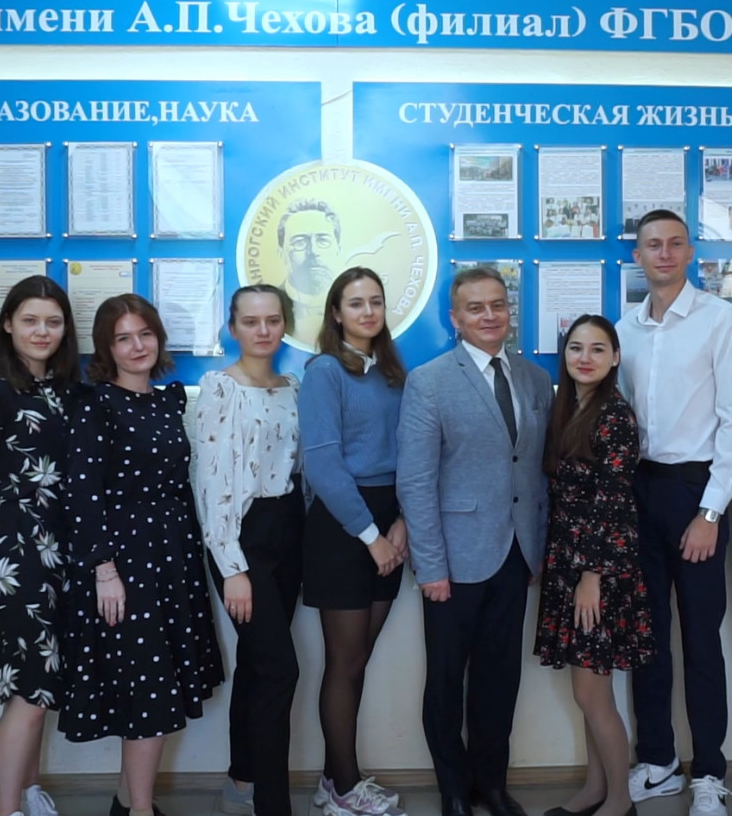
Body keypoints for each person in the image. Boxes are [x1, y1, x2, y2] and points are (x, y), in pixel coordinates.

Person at [398, 266, 553, 816]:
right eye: (476, 308)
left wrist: (538, 548)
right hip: (453, 559)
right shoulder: (430, 381)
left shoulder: (535, 379)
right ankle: (454, 790)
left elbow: (536, 470)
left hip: (516, 555)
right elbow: (415, 481)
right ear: (455, 319)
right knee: (446, 682)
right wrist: (430, 566)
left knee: (500, 680)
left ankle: (491, 784)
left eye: (498, 305)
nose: (490, 316)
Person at [62, 294, 223, 816]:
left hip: (172, 557)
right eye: (123, 338)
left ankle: (127, 801)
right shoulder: (95, 405)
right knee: (148, 693)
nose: (137, 346)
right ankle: (139, 810)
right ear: (106, 348)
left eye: (145, 334)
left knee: (158, 688)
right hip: (126, 563)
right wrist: (104, 570)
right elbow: (82, 494)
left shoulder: (168, 401)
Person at [618, 209, 732, 816]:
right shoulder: (625, 329)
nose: (665, 253)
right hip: (639, 492)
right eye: (653, 245)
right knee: (646, 636)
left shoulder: (721, 320)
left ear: (691, 252)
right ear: (638, 255)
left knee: (701, 639)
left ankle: (709, 772)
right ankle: (658, 761)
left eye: (675, 244)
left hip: (697, 493)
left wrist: (711, 511)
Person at [0, 275, 81, 816]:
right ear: (8, 324)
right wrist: (2, 555)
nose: (41, 331)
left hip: (65, 555)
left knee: (41, 683)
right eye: (30, 320)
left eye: (53, 321)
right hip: (17, 559)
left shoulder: (69, 391)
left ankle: (28, 790)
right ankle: (6, 809)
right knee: (29, 687)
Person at [299, 267, 410, 816]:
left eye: (376, 301)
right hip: (345, 527)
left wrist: (403, 521)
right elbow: (323, 464)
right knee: (344, 662)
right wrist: (371, 537)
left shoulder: (391, 372)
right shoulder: (324, 371)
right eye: (356, 303)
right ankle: (344, 787)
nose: (368, 312)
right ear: (336, 313)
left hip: (390, 521)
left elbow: (412, 450)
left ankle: (332, 780)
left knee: (357, 661)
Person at [193, 285, 305, 816]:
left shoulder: (293, 388)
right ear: (233, 328)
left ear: (285, 325)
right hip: (242, 536)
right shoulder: (220, 388)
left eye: (273, 320)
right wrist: (232, 566)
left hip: (289, 529)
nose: (263, 330)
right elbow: (210, 483)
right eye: (251, 321)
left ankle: (241, 782)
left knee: (260, 665)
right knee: (281, 669)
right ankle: (273, 805)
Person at [534, 315, 653, 816]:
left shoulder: (615, 416)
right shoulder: (569, 408)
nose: (585, 358)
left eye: (598, 349)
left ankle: (620, 800)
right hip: (568, 562)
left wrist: (590, 577)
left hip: (597, 569)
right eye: (576, 348)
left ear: (616, 357)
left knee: (592, 693)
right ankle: (594, 788)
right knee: (588, 692)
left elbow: (612, 502)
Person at [280, 200, 344, 343]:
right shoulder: (271, 308)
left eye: (323, 241)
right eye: (300, 242)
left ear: (338, 249)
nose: (313, 252)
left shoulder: (354, 305)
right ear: (282, 252)